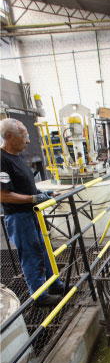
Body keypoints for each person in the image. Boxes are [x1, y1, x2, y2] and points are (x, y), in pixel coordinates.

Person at [0, 118, 65, 307]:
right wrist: (33, 199)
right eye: (25, 135)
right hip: (20, 218)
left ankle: (54, 284)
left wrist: (40, 193)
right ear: (10, 136)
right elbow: (4, 195)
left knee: (45, 250)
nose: (28, 140)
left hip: (33, 213)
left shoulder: (17, 157)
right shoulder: (2, 160)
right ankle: (39, 295)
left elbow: (24, 186)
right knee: (31, 254)